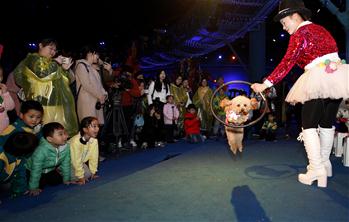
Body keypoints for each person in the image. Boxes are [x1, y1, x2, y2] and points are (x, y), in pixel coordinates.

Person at [251, 0, 349, 188]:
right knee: (327, 123)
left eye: (284, 22)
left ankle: (315, 168)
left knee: (309, 125)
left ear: (295, 16)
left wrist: (265, 84)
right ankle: (324, 164)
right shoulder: (321, 29)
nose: (284, 27)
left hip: (317, 79)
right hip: (338, 76)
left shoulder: (299, 34)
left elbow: (287, 62)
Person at [13, 38, 78, 137]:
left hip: (55, 104)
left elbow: (66, 81)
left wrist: (64, 69)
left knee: (55, 134)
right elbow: (42, 73)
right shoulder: (33, 59)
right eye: (50, 48)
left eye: (55, 50)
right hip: (40, 104)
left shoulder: (51, 63)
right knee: (42, 134)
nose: (53, 52)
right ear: (40, 46)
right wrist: (56, 63)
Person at [26, 122, 71, 196]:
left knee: (57, 181)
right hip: (33, 170)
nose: (65, 136)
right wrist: (33, 187)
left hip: (50, 169)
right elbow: (36, 169)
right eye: (60, 134)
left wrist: (66, 179)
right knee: (39, 186)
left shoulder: (66, 147)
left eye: (65, 133)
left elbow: (66, 163)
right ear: (50, 139)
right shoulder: (41, 151)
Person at [0, 132, 38, 198]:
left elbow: (20, 174)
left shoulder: (20, 159)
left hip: (4, 179)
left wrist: (22, 189)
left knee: (8, 186)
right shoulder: (2, 158)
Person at [69, 116, 100, 185]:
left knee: (88, 175)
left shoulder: (94, 140)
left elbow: (94, 157)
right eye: (94, 126)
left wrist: (93, 172)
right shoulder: (75, 142)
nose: (97, 129)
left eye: (98, 126)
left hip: (79, 162)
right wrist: (80, 177)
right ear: (85, 129)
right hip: (67, 162)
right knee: (78, 176)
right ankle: (60, 171)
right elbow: (76, 160)